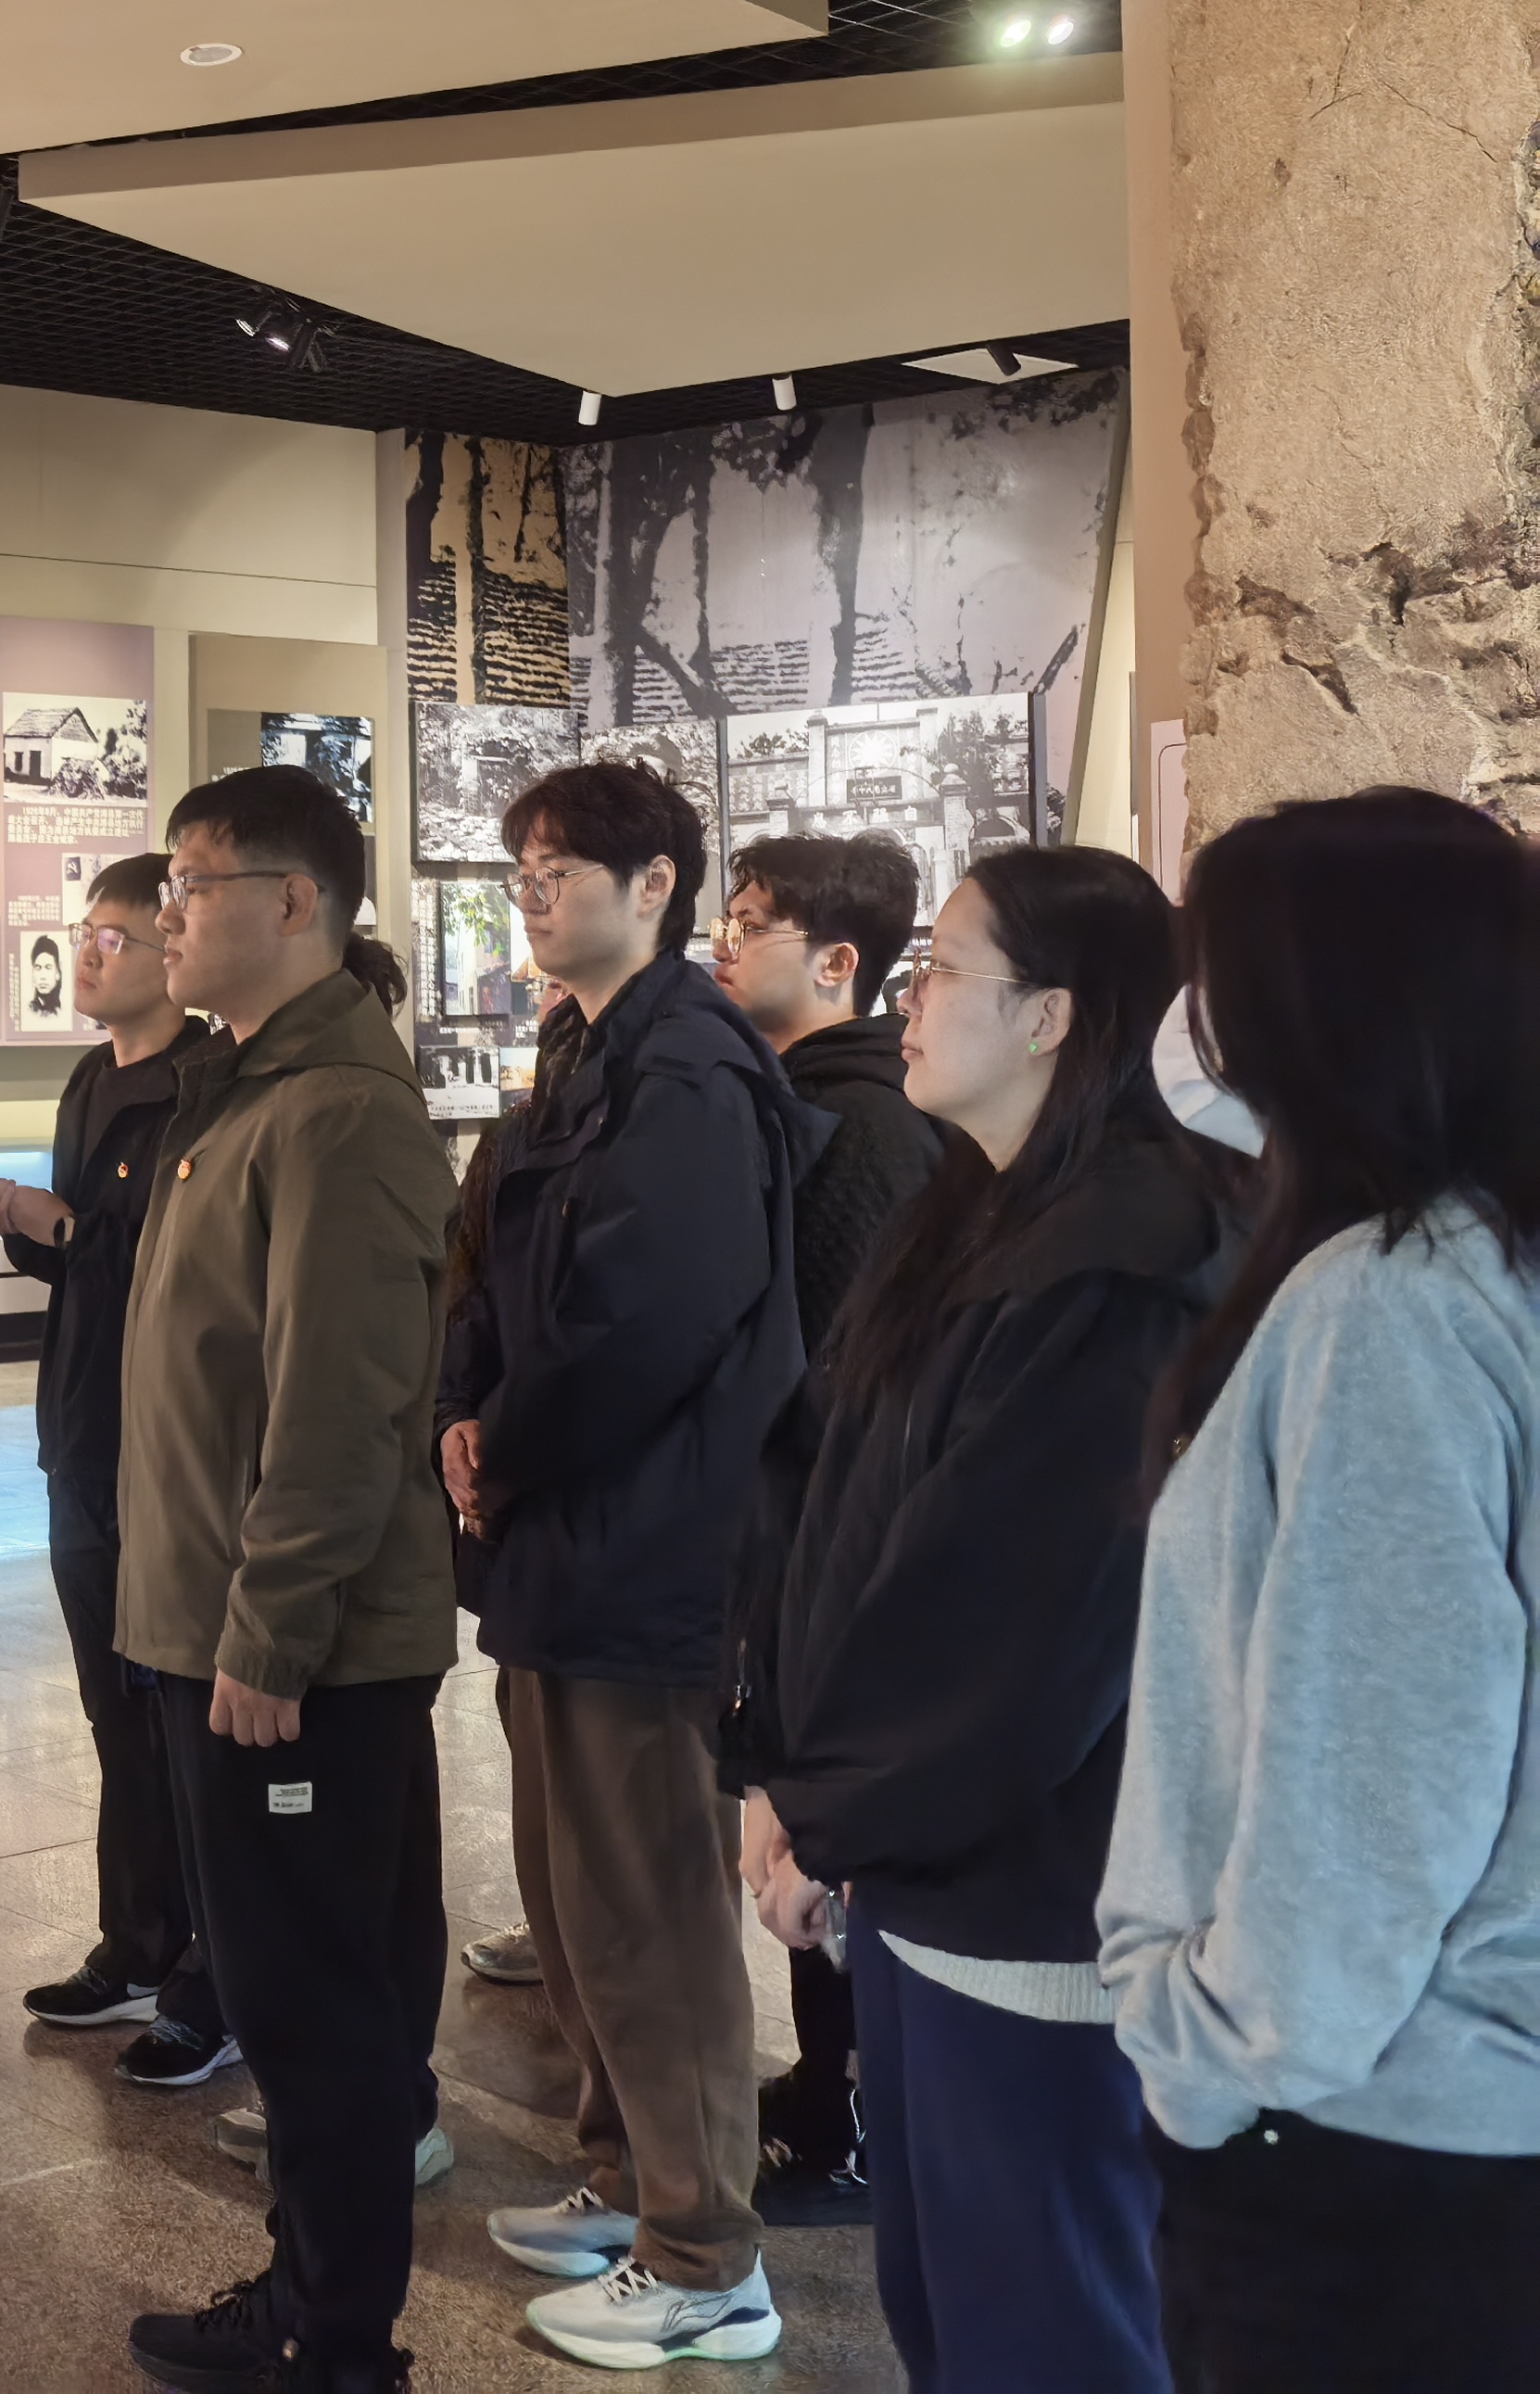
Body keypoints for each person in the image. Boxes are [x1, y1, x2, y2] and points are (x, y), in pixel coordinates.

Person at [733, 848, 1229, 2391]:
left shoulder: (1122, 1257)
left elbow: (1010, 1626)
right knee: (947, 2309)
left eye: (944, 969)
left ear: (1051, 1016)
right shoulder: (976, 1208)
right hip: (923, 1874)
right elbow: (847, 1510)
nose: (911, 998)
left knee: (1042, 2324)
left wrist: (828, 1812)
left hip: (1030, 1907)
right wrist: (791, 1778)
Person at [1102, 788, 1540, 2393]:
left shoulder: (1396, 1306)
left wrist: (1215, 2052)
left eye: (1212, 973)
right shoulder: (1482, 1272)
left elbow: (1379, 1774)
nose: (1192, 1025)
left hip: (1375, 2141)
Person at [440, 760, 826, 2371]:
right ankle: (626, 2177)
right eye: (522, 867)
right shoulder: (585, 1045)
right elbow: (502, 1269)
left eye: (562, 868)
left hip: (642, 1540)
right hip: (560, 1538)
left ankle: (703, 2251)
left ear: (655, 883)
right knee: (572, 1894)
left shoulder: (689, 1068)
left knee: (651, 1906)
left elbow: (644, 1321)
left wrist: (510, 1438)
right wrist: (468, 1412)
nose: (532, 892)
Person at [110, 766, 459, 2394]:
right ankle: (311, 2294)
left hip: (297, 1651)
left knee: (316, 2004)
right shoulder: (245, 1090)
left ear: (295, 901)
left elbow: (339, 1402)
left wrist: (270, 1628)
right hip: (219, 1624)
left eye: (193, 883)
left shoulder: (341, 1111)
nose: (165, 913)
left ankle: (339, 2338)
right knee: (290, 1988)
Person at [0, 854, 236, 2082]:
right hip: (79, 1429)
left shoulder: (203, 1088)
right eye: (83, 931)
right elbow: (88, 1260)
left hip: (165, 1441)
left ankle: (213, 1978)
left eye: (112, 936)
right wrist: (35, 1230)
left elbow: (173, 1267)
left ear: (172, 948)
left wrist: (55, 1223)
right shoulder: (90, 1078)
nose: (87, 953)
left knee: (182, 1717)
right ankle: (136, 1940)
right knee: (111, 1710)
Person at [712, 827, 940, 2226]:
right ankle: (824, 2086)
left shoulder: (858, 1127)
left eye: (750, 922)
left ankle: (849, 2115)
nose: (725, 944)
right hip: (793, 1530)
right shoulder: (805, 1102)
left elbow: (838, 1375)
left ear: (839, 959)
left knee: (820, 1829)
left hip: (824, 1537)